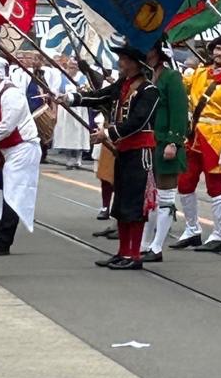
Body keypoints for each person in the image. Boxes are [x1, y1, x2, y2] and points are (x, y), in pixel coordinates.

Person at [63, 43, 161, 270]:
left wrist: (107, 133)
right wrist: (70, 99)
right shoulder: (122, 85)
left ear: (136, 63)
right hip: (124, 150)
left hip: (140, 151)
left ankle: (134, 255)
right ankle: (122, 251)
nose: (120, 63)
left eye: (125, 59)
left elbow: (139, 121)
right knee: (122, 202)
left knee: (135, 205)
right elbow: (99, 97)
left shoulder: (149, 91)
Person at [172, 36, 221, 253]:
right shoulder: (199, 73)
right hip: (193, 136)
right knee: (185, 183)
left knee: (215, 187)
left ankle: (218, 235)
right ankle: (192, 229)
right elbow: (179, 86)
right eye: (218, 49)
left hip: (216, 140)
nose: (220, 54)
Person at [0, 55, 43, 256]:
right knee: (10, 193)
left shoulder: (11, 94)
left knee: (13, 195)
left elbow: (7, 125)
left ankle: (3, 242)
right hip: (11, 150)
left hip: (23, 148)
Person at [141, 43, 188, 262]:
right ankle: (144, 243)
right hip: (149, 142)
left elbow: (179, 111)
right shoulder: (145, 75)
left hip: (166, 143)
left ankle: (157, 246)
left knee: (166, 198)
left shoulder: (171, 77)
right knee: (150, 197)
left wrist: (174, 142)